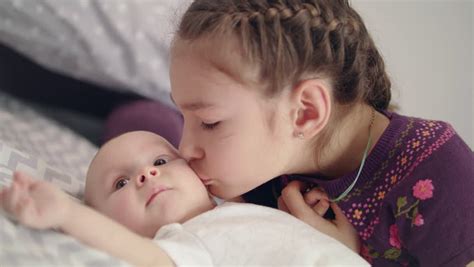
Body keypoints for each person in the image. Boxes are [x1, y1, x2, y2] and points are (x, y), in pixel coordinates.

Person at [169, 0, 474, 266]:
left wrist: (343, 258)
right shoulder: (265, 177)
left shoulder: (440, 172)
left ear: (306, 112)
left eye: (209, 122)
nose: (185, 149)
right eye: (185, 118)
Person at [0, 131, 368, 266]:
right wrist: (65, 212)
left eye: (160, 161)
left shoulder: (235, 207)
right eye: (121, 183)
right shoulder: (187, 238)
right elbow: (147, 258)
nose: (147, 174)